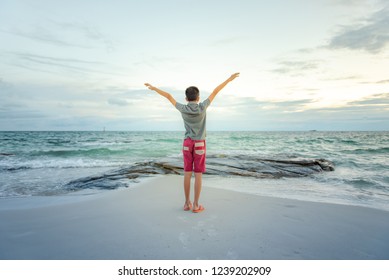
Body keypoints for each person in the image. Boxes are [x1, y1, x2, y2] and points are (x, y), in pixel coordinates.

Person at [145, 72, 239, 213]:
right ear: (198, 97)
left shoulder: (182, 108)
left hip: (187, 143)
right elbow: (216, 91)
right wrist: (229, 79)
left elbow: (169, 96)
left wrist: (154, 88)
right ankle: (196, 205)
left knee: (187, 173)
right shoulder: (203, 106)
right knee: (198, 175)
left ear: (186, 98)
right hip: (200, 143)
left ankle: (186, 203)